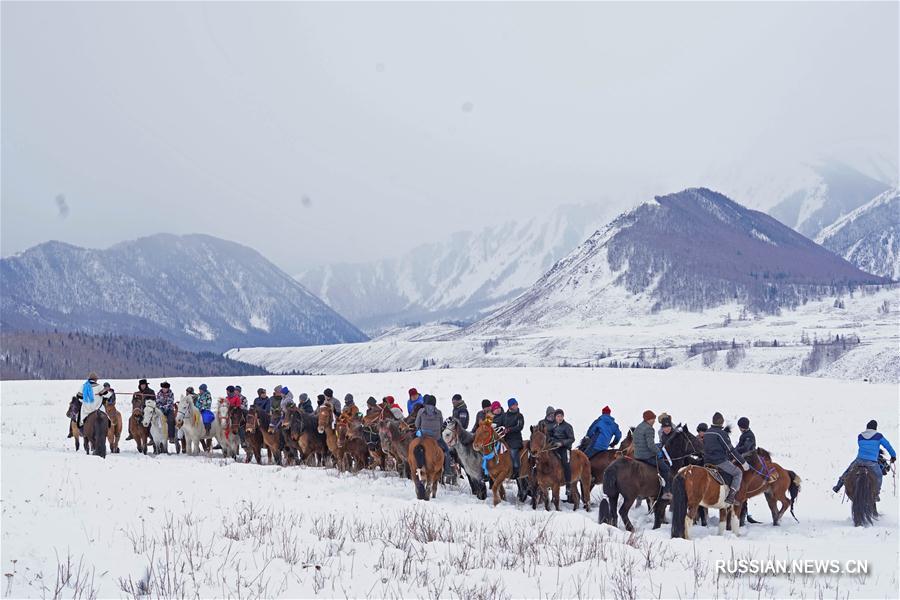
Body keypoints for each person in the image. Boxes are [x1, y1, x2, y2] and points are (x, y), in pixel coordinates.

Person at [833, 420, 896, 501]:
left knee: (847, 472)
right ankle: (876, 494)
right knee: (879, 475)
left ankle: (838, 486)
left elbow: (861, 445)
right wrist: (893, 456)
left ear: (867, 427)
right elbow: (888, 446)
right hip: (872, 462)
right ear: (875, 428)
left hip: (859, 460)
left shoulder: (860, 436)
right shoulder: (879, 436)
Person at [703, 412, 749, 506]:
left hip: (707, 461)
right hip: (719, 462)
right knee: (738, 473)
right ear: (722, 422)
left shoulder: (707, 432)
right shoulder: (721, 433)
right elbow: (730, 450)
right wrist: (743, 462)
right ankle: (731, 497)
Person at [633, 410, 672, 501]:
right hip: (646, 456)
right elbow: (650, 445)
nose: (654, 421)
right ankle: (666, 492)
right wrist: (658, 452)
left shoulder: (639, 427)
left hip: (637, 455)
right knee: (665, 469)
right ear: (648, 419)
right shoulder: (649, 429)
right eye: (653, 419)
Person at [414, 395, 454, 481]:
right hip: (436, 438)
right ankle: (447, 469)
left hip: (423, 437)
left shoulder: (421, 411)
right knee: (446, 450)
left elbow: (417, 424)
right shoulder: (439, 412)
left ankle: (413, 465)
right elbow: (440, 425)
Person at [548, 409, 576, 500]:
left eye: (561, 416)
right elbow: (550, 436)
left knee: (565, 463)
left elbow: (572, 439)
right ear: (555, 417)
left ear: (563, 417)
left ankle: (568, 485)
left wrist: (562, 443)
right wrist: (552, 441)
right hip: (555, 447)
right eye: (558, 416)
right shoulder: (554, 426)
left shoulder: (567, 426)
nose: (559, 418)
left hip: (564, 448)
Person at [493, 398, 525, 479]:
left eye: (516, 404)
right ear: (510, 406)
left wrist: (509, 429)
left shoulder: (519, 416)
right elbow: (500, 424)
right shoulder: (505, 415)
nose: (516, 406)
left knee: (514, 453)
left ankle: (516, 470)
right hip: (505, 440)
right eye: (513, 405)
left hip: (515, 440)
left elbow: (519, 427)